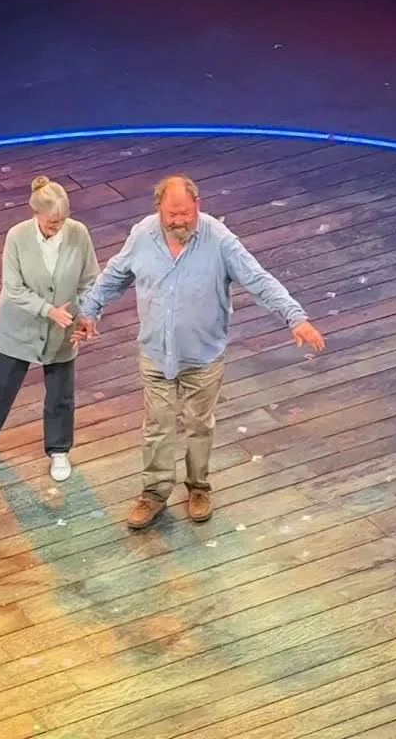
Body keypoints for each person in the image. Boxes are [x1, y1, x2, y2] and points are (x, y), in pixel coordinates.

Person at [77, 174, 325, 530]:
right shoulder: (142, 235)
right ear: (158, 209)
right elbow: (114, 275)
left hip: (203, 357)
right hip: (156, 354)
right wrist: (89, 310)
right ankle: (154, 493)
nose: (179, 221)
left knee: (198, 426)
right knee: (157, 427)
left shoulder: (219, 240)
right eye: (171, 215)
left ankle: (198, 488)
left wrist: (295, 317)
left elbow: (258, 279)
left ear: (198, 205)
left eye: (185, 214)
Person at [0, 176, 100, 481]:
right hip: (18, 326)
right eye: (51, 222)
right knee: (1, 386)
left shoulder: (78, 233)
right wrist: (48, 310)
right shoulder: (17, 237)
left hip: (63, 329)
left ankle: (59, 450)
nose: (57, 227)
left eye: (62, 221)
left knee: (61, 393)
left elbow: (90, 279)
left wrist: (88, 313)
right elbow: (13, 288)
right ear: (35, 213)